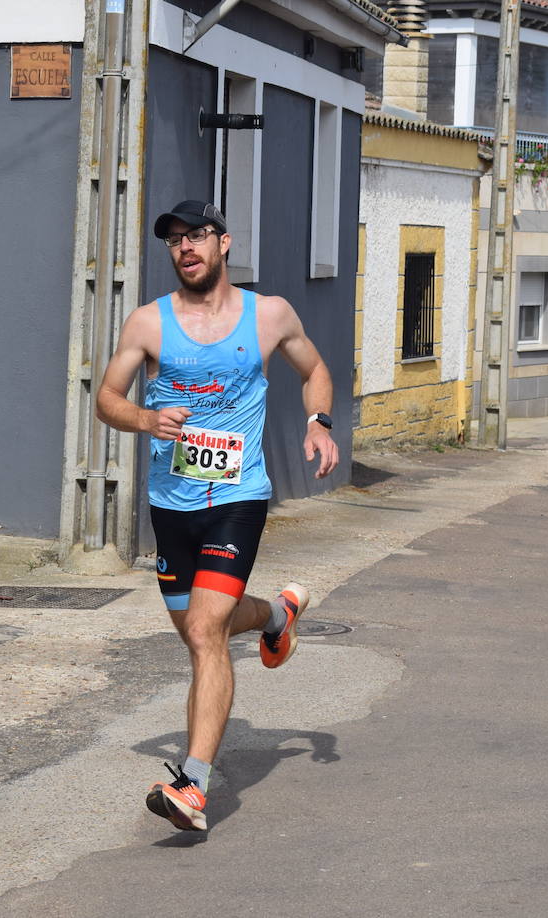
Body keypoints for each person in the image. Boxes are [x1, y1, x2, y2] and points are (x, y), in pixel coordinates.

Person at [94, 200, 339, 832]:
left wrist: (318, 423)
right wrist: (147, 419)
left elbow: (314, 370)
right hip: (171, 504)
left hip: (238, 497)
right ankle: (278, 615)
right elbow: (106, 399)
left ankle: (192, 786)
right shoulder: (148, 323)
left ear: (224, 242)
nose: (185, 247)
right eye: (174, 240)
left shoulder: (269, 315)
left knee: (206, 632)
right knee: (202, 629)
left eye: (196, 235)